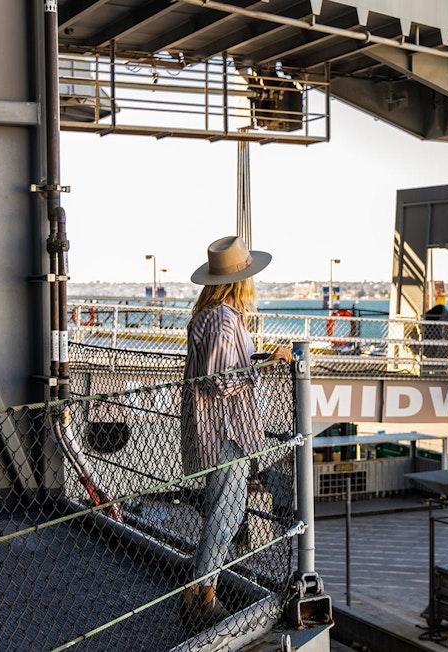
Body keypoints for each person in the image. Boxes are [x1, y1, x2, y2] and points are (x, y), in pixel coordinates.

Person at [179, 235, 291, 629]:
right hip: (225, 431)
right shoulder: (225, 319)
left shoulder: (210, 316)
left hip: (211, 429)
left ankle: (197, 592)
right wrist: (268, 364)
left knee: (219, 511)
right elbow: (221, 380)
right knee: (226, 514)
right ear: (241, 279)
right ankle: (201, 596)